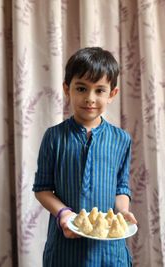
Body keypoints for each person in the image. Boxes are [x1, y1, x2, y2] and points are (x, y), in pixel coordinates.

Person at [32, 47, 137, 267]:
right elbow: (42, 188)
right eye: (81, 88)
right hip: (65, 250)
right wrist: (63, 214)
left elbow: (121, 188)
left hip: (110, 253)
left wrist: (123, 212)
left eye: (100, 90)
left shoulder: (121, 139)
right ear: (66, 88)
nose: (90, 98)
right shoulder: (54, 137)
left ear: (112, 94)